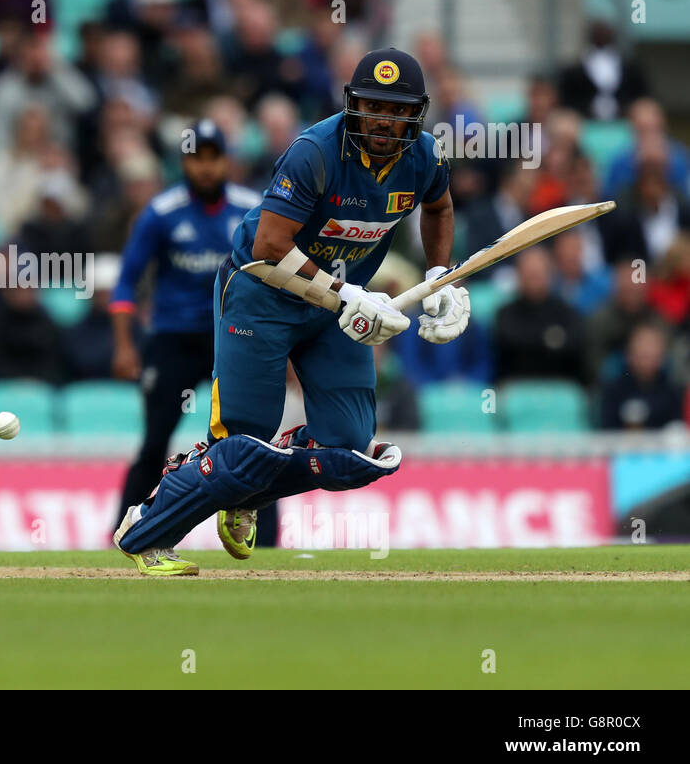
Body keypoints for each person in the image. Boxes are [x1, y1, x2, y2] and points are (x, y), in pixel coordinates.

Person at [115, 48, 467, 575]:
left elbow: (438, 206)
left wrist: (439, 275)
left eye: (394, 110)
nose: (381, 120)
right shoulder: (316, 152)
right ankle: (145, 530)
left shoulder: (424, 156)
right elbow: (269, 244)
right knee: (242, 444)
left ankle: (250, 490)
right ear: (352, 105)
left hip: (336, 307)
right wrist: (346, 294)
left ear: (414, 113)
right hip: (263, 294)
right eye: (371, 106)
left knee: (351, 452)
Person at [109, 118, 263, 530]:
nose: (206, 168)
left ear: (226, 161)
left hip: (230, 341)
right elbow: (125, 284)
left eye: (214, 158)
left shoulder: (251, 208)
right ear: (183, 163)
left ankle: (264, 542)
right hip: (173, 340)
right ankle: (124, 531)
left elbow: (274, 276)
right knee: (155, 441)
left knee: (250, 443)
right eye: (198, 159)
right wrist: (124, 345)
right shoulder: (160, 214)